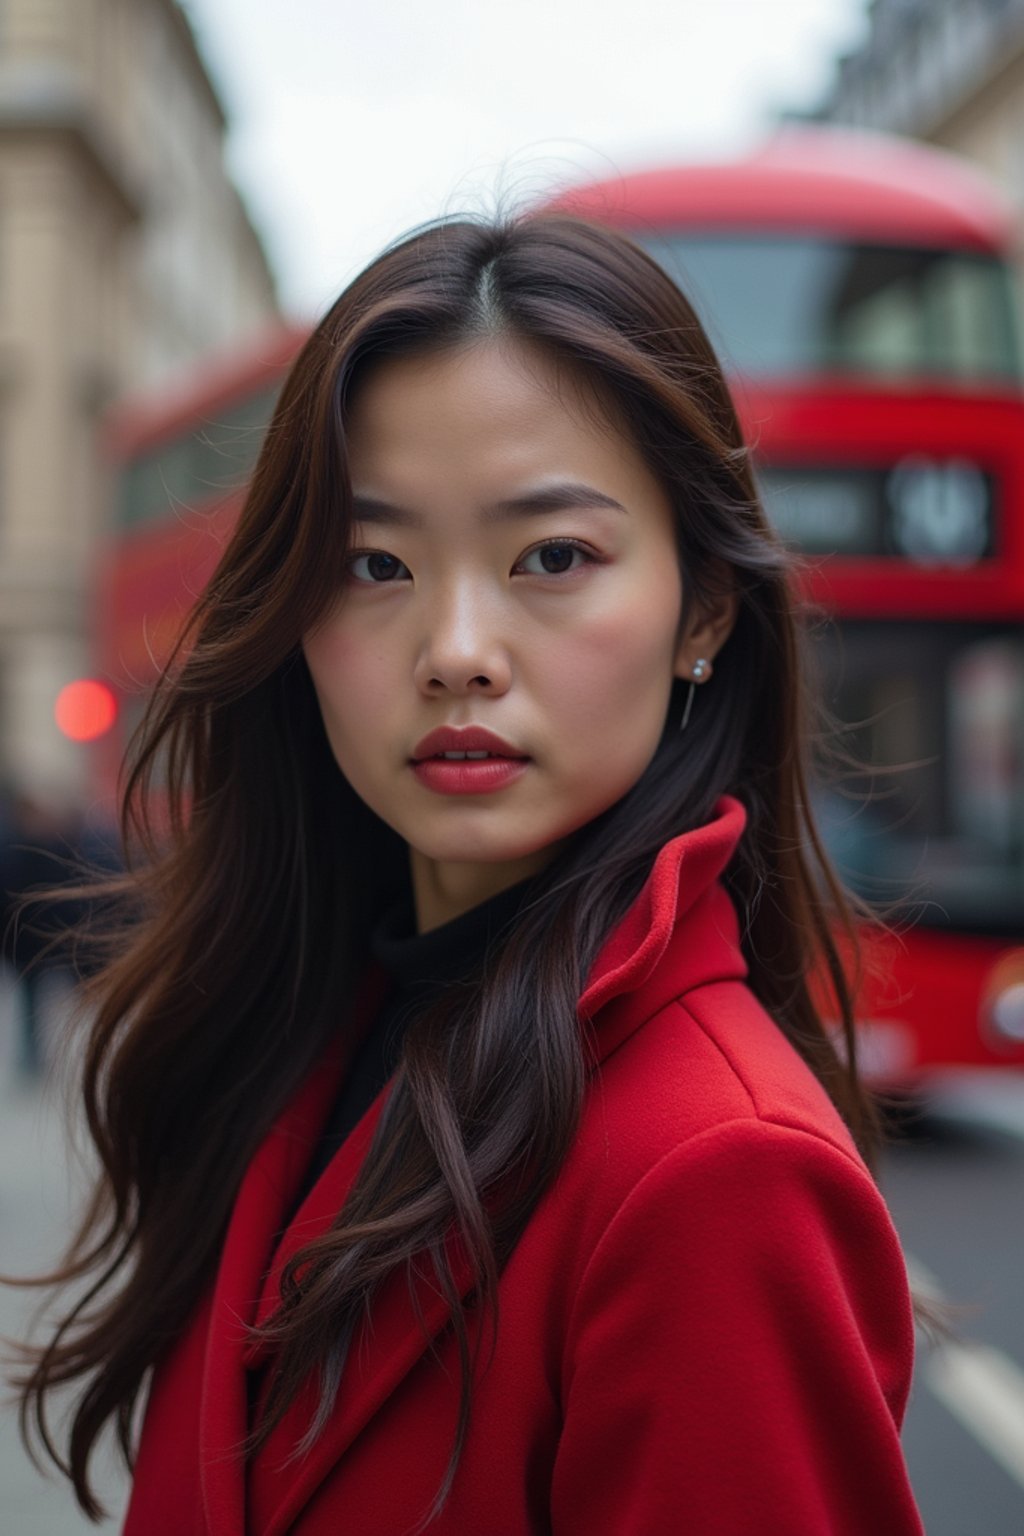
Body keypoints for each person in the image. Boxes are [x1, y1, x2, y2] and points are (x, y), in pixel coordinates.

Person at [9, 214, 925, 1534]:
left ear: (704, 611)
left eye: (552, 557)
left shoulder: (717, 1172)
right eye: (374, 564)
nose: (455, 650)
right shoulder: (289, 1032)